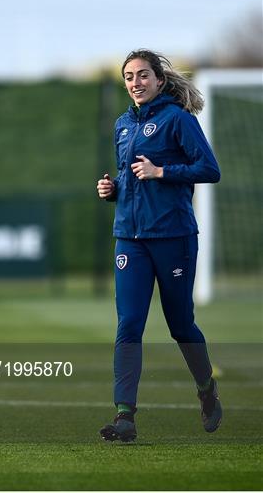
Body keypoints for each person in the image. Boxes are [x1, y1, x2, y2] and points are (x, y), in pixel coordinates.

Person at [97, 49, 222, 442]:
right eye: (129, 77)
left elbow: (209, 169)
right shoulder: (122, 125)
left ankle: (206, 389)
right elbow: (131, 178)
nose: (136, 82)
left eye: (143, 75)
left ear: (159, 80)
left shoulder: (178, 120)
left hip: (173, 238)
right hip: (129, 239)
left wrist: (161, 171)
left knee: (180, 324)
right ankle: (124, 416)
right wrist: (112, 189)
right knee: (128, 325)